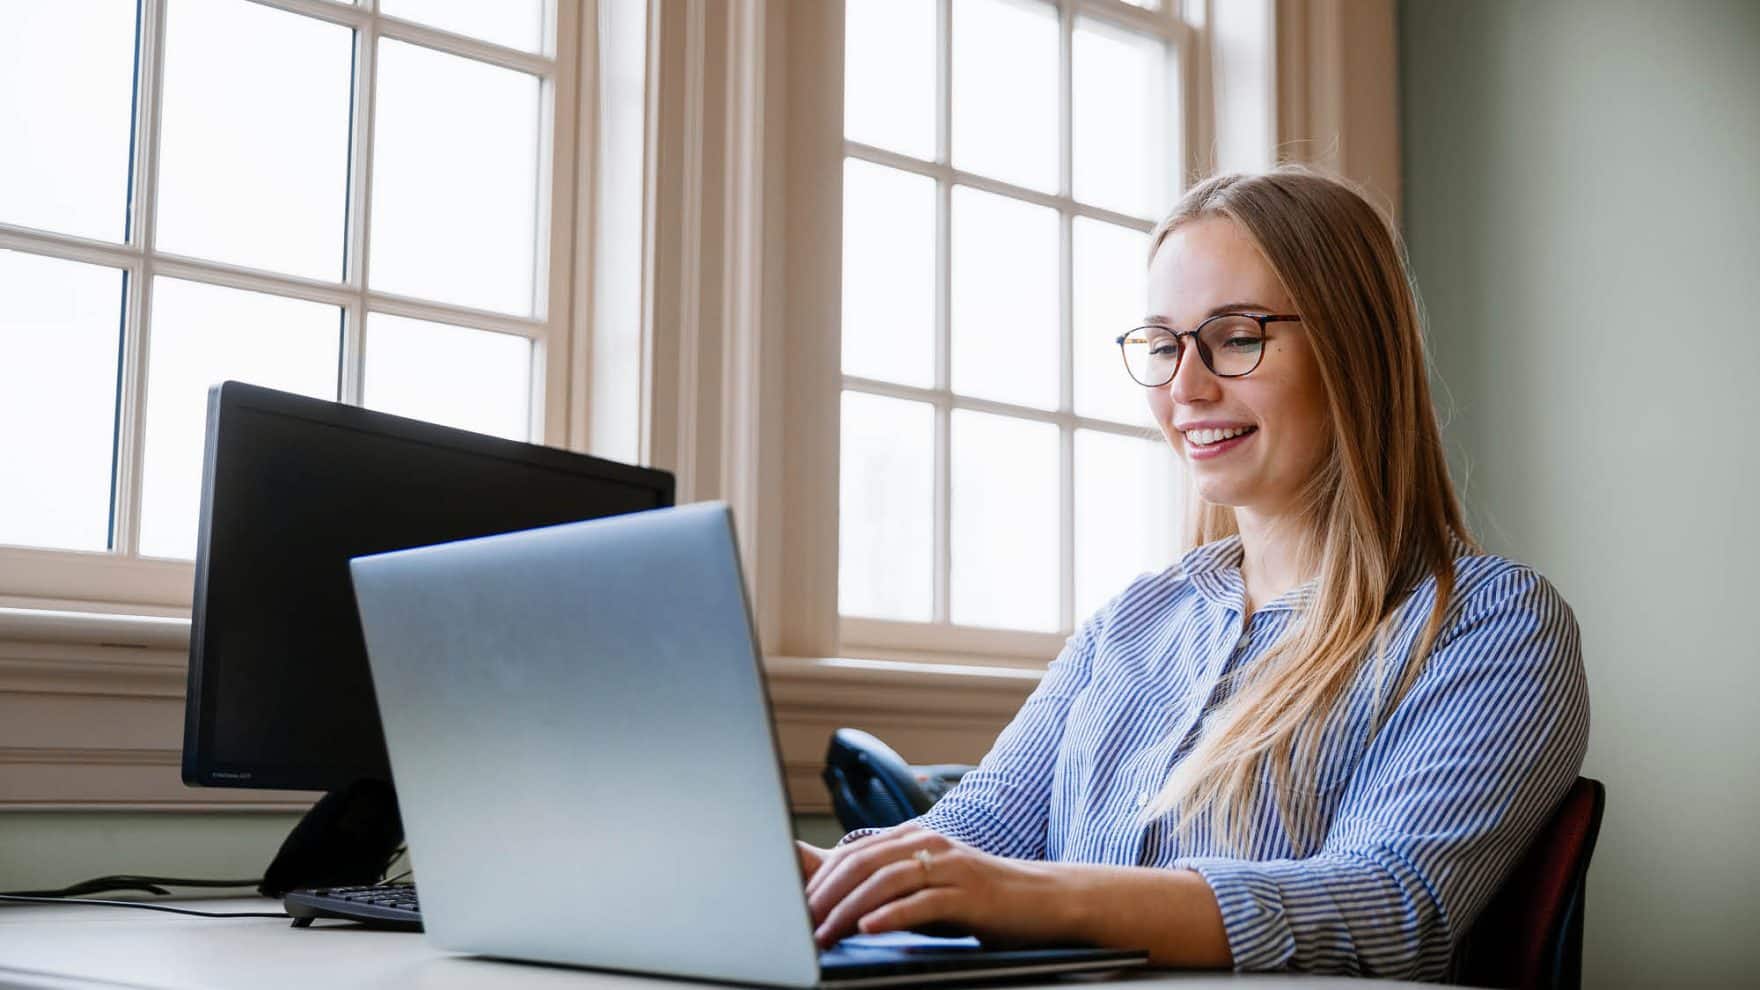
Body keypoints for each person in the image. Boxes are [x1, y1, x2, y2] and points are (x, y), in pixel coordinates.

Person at [795, 166, 1590, 981]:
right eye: (1164, 344)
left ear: (1355, 349)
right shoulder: (1132, 622)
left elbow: (1386, 904)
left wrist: (1036, 897)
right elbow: (977, 829)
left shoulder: (1489, 623)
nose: (1185, 388)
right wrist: (807, 875)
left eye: (1237, 337)